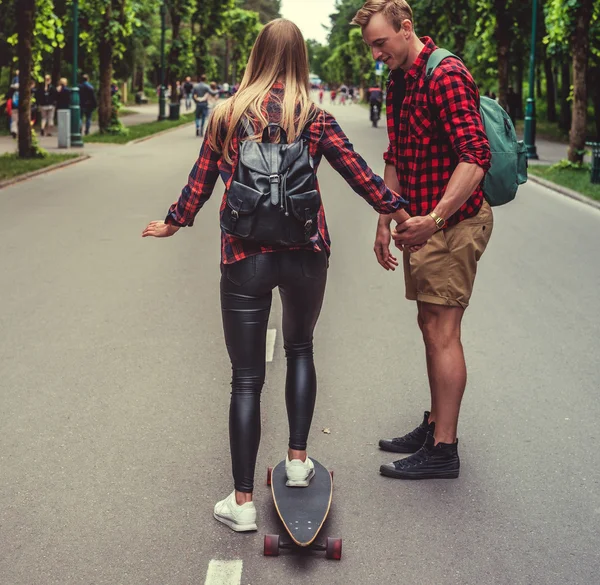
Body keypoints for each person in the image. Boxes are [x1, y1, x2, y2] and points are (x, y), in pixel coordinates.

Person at [142, 18, 419, 533]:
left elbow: (200, 181)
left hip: (244, 254)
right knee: (300, 350)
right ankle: (296, 464)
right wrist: (404, 216)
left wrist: (174, 221)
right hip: (305, 251)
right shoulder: (313, 117)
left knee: (246, 380)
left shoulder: (226, 116)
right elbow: (361, 174)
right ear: (300, 60)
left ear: (256, 55)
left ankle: (242, 502)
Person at [353, 0, 493, 480]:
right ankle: (436, 424)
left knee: (443, 332)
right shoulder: (398, 80)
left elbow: (475, 156)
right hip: (422, 225)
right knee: (428, 323)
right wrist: (383, 217)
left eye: (381, 43)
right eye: (371, 46)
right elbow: (395, 154)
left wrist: (433, 219)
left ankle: (443, 450)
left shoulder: (446, 74)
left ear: (405, 29)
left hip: (453, 225)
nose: (377, 54)